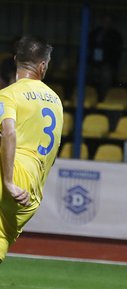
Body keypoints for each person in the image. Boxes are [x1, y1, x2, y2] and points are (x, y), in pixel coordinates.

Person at [0, 36, 63, 263]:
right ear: (43, 65)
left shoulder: (8, 95)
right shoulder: (56, 101)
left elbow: (9, 133)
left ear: (16, 60)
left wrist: (8, 181)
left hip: (12, 172)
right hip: (33, 188)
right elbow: (54, 151)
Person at [87, 14, 123, 97]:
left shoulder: (115, 35)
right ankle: (89, 98)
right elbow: (88, 47)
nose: (106, 24)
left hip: (107, 64)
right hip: (93, 63)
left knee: (105, 75)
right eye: (105, 21)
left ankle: (103, 98)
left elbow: (116, 54)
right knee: (85, 72)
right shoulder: (95, 33)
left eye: (108, 22)